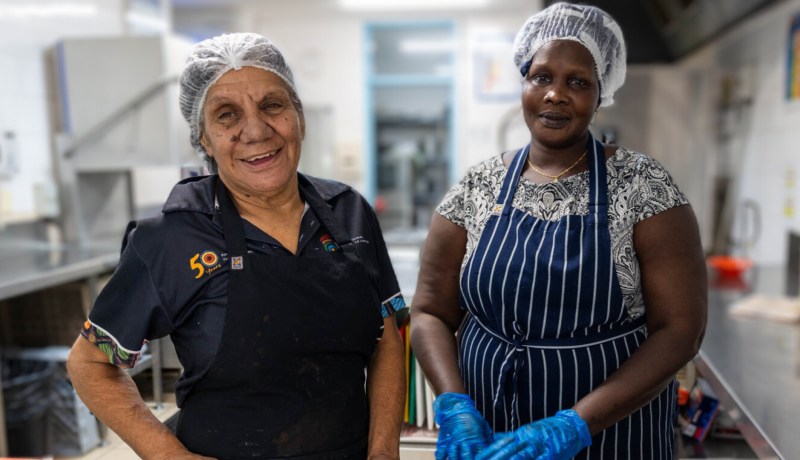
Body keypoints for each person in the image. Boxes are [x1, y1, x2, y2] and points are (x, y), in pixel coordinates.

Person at [67, 33, 406, 460]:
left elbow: (387, 339)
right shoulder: (169, 237)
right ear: (204, 139)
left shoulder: (349, 211)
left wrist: (383, 451)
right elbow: (89, 364)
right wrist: (170, 456)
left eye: (273, 105)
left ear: (298, 115)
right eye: (227, 116)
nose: (256, 130)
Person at [410, 4, 707, 460]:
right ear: (524, 82)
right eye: (542, 77)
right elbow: (430, 310)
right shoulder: (477, 185)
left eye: (578, 82)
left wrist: (574, 425)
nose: (555, 95)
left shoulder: (644, 187)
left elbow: (681, 330)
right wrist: (452, 403)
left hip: (613, 437)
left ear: (601, 91)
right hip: (491, 434)